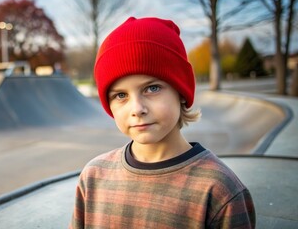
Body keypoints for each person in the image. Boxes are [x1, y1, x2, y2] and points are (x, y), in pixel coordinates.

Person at [69, 17, 255, 228]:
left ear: (181, 92)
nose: (137, 109)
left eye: (152, 88)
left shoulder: (220, 189)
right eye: (121, 95)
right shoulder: (93, 176)